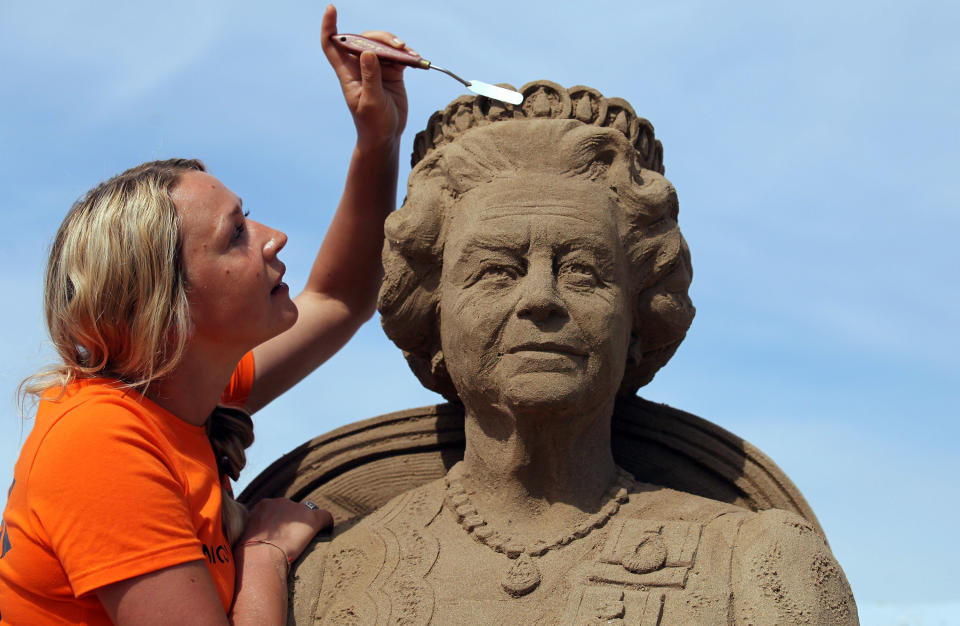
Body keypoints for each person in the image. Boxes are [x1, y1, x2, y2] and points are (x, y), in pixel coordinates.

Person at [304, 84, 859, 624]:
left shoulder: (754, 565)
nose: (542, 298)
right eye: (497, 271)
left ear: (638, 317)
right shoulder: (331, 576)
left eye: (582, 270)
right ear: (433, 315)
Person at [0, 6, 411, 625]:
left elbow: (340, 299)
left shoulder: (187, 393)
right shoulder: (99, 442)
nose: (275, 238)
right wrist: (266, 551)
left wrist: (378, 138)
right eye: (237, 234)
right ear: (168, 309)